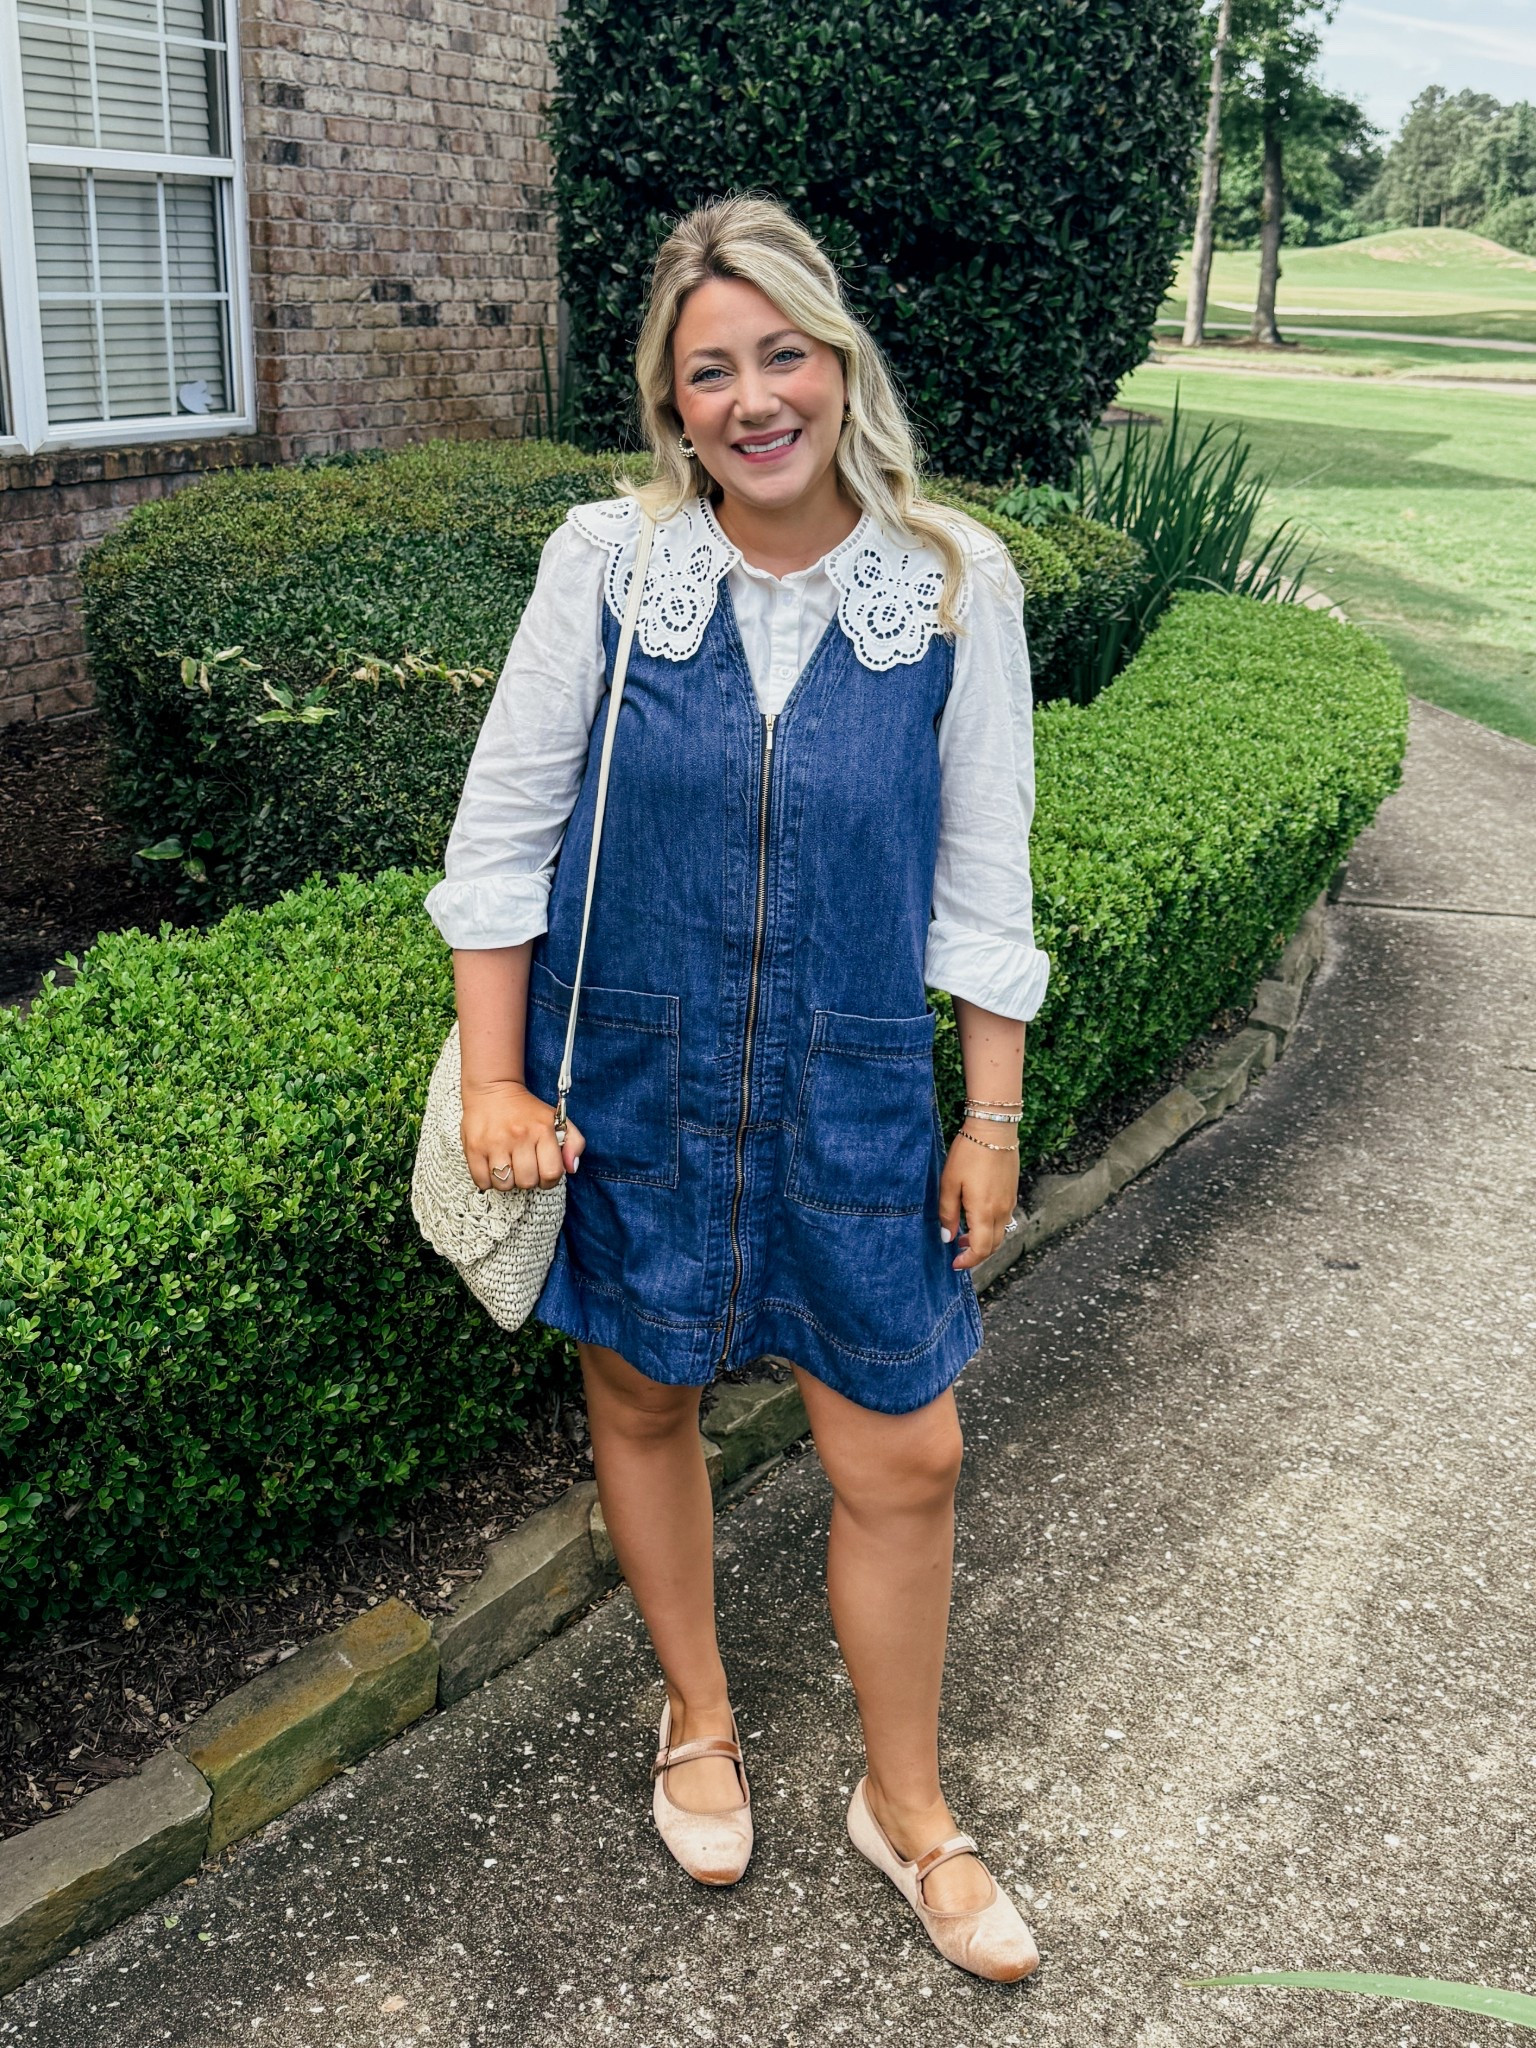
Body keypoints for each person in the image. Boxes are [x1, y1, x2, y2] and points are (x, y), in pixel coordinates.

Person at [424, 194, 1049, 1983]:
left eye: (783, 353)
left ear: (838, 361)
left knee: (907, 1451)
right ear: (672, 403)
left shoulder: (951, 583)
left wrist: (986, 1116)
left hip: (856, 1089)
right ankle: (697, 1714)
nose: (755, 397)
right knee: (641, 1395)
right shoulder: (605, 567)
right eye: (714, 370)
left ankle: (906, 1806)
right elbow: (503, 841)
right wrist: (490, 1079)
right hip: (632, 1073)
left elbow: (985, 886)